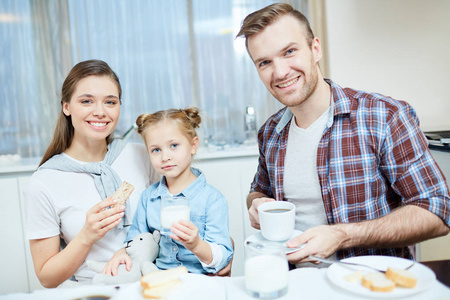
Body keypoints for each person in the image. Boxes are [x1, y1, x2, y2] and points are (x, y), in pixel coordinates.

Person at [236, 3, 450, 267]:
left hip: (369, 286)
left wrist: (343, 235)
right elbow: (258, 190)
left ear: (315, 49)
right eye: (265, 62)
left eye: (289, 51)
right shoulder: (270, 133)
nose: (279, 72)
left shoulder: (384, 117)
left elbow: (438, 210)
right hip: (293, 283)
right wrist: (256, 203)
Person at [24, 59, 161, 287]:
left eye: (110, 102)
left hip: (155, 283)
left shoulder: (142, 155)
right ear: (66, 106)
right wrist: (87, 235)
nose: (100, 112)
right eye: (86, 101)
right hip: (96, 290)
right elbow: (47, 277)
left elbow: (174, 212)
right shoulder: (44, 182)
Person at [103, 108, 234, 275]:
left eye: (174, 146)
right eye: (156, 150)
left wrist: (196, 245)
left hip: (198, 281)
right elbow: (136, 241)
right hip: (159, 279)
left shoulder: (213, 199)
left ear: (193, 145)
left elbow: (222, 259)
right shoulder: (148, 197)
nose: (165, 157)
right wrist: (121, 252)